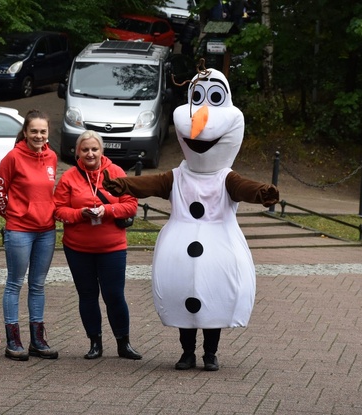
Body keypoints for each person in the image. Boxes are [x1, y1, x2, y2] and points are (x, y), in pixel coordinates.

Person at [103, 68, 278, 372]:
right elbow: (152, 184)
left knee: (214, 297)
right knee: (183, 293)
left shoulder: (225, 177)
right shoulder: (178, 176)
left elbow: (243, 188)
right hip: (179, 249)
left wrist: (263, 193)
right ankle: (187, 352)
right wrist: (124, 185)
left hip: (219, 247)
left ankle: (210, 353)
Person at [53, 130, 142, 360]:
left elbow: (131, 205)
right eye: (85, 149)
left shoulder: (116, 172)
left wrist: (109, 209)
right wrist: (80, 213)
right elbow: (58, 209)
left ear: (101, 151)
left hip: (112, 247)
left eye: (94, 149)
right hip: (78, 248)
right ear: (78, 152)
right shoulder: (69, 177)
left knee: (114, 295)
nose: (90, 153)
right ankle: (95, 343)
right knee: (88, 295)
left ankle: (124, 343)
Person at [0, 109, 58, 361]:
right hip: (19, 230)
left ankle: (38, 340)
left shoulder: (52, 156)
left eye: (43, 131)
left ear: (47, 132)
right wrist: (11, 215)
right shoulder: (13, 157)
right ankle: (14, 341)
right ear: (26, 132)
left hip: (46, 231)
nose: (38, 136)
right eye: (34, 131)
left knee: (38, 285)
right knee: (15, 283)